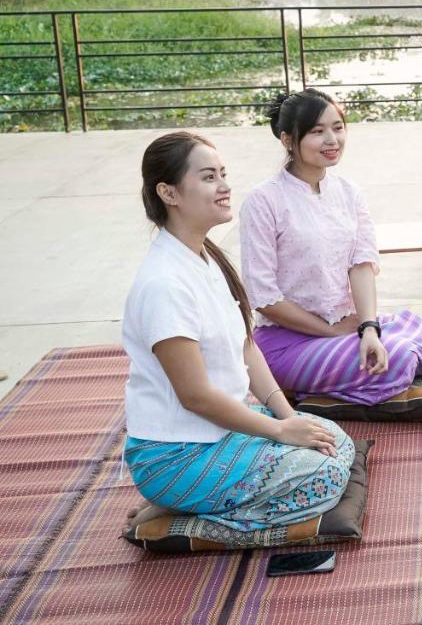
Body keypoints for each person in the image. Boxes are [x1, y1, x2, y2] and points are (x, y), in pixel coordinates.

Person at [122, 132, 354, 531]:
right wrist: (281, 431)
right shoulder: (164, 284)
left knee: (335, 440)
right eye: (209, 177)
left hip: (221, 431)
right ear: (169, 193)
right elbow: (195, 396)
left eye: (224, 174)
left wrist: (288, 416)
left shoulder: (204, 259)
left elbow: (247, 348)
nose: (225, 186)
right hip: (177, 454)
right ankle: (182, 515)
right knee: (325, 477)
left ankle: (190, 503)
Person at [238, 89, 422, 406]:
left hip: (349, 324)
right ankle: (315, 390)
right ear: (287, 140)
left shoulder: (347, 191)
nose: (332, 140)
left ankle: (343, 374)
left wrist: (367, 328)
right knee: (401, 356)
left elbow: (361, 264)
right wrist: (334, 332)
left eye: (338, 128)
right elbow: (264, 298)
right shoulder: (263, 201)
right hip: (287, 342)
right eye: (317, 131)